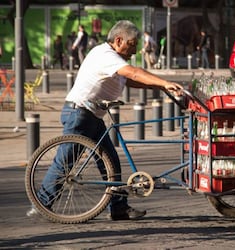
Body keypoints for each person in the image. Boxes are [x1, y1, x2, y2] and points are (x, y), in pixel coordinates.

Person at [27, 20, 183, 220]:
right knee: (65, 163)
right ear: (118, 40)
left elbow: (131, 79)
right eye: (132, 44)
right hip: (79, 114)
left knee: (110, 162)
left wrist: (160, 87)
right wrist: (165, 82)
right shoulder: (106, 55)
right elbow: (134, 72)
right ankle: (41, 204)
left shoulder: (113, 57)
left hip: (93, 115)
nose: (135, 50)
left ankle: (118, 207)